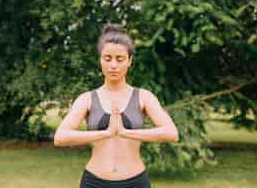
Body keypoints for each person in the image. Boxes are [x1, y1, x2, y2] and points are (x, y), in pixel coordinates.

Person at [54, 23, 179, 188]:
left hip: (136, 182)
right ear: (100, 60)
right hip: (94, 182)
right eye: (108, 58)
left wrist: (125, 132)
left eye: (120, 59)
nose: (113, 65)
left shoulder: (143, 97)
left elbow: (171, 133)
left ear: (129, 61)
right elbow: (60, 137)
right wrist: (106, 133)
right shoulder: (87, 99)